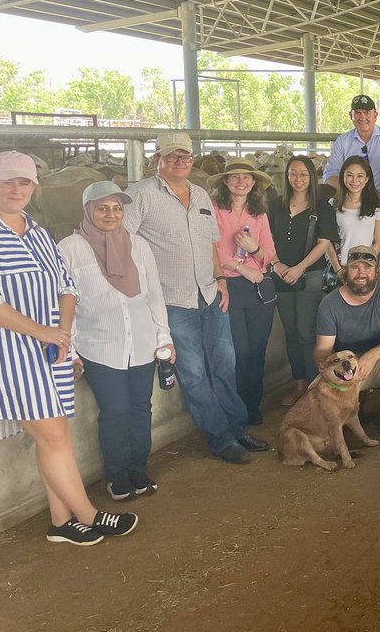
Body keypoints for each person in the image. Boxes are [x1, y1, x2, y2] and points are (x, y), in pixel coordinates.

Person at [0, 152, 136, 545]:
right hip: (3, 353)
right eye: (8, 181)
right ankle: (89, 514)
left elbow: (67, 285)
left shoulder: (37, 231)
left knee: (55, 433)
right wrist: (44, 333)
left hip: (49, 350)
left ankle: (61, 522)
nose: (17, 189)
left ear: (35, 187)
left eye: (25, 182)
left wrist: (62, 335)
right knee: (52, 434)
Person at [126, 132, 268, 464]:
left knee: (224, 363)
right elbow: (123, 243)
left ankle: (237, 427)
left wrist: (220, 278)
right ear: (157, 160)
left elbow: (209, 244)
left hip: (209, 292)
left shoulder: (201, 194)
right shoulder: (139, 195)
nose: (180, 163)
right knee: (192, 372)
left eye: (185, 157)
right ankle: (220, 436)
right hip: (172, 300)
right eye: (172, 157)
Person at [60, 181, 171, 502]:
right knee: (115, 410)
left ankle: (139, 469)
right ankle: (118, 476)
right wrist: (73, 348)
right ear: (88, 211)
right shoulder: (70, 248)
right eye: (102, 208)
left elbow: (154, 295)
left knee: (141, 408)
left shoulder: (138, 245)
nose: (111, 214)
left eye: (117, 208)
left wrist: (163, 336)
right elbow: (65, 300)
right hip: (99, 347)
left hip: (142, 343)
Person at [314, 245, 380, 438]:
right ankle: (353, 402)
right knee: (319, 420)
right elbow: (322, 349)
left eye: (367, 268)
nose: (361, 273)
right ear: (346, 271)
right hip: (346, 367)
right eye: (355, 268)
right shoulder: (329, 303)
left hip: (379, 362)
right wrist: (325, 365)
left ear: (377, 272)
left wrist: (371, 356)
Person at [211, 159, 280, 427]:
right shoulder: (215, 211)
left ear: (254, 184)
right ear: (226, 182)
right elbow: (212, 250)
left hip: (259, 286)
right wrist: (243, 268)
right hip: (230, 284)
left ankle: (252, 405)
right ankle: (235, 407)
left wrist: (253, 250)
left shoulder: (258, 214)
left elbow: (269, 253)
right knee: (237, 350)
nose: (241, 182)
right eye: (235, 177)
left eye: (246, 178)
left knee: (256, 350)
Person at [267, 155, 339, 406]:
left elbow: (324, 244)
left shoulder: (322, 207)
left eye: (303, 174)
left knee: (306, 333)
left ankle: (312, 385)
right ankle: (298, 383)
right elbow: (267, 238)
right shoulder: (276, 205)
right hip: (281, 276)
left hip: (310, 276)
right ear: (286, 177)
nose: (298, 179)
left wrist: (298, 268)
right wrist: (278, 265)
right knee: (290, 332)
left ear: (312, 177)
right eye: (293, 173)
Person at [331, 156, 380, 270]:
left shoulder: (378, 204)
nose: (354, 180)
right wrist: (338, 268)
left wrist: (364, 264)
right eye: (350, 175)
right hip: (340, 266)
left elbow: (379, 242)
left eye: (360, 176)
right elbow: (326, 242)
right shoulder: (333, 204)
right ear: (343, 177)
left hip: (366, 267)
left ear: (367, 178)